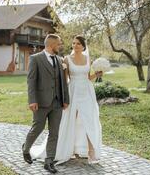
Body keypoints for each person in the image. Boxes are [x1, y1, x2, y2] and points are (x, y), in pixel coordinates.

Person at [30, 35, 102, 165]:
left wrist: (96, 75)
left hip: (86, 91)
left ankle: (91, 152)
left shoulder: (87, 59)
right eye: (73, 43)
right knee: (70, 120)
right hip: (73, 91)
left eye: (78, 44)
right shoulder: (67, 59)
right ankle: (68, 150)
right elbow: (65, 79)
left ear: (83, 46)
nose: (75, 46)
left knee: (88, 120)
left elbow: (87, 77)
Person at [22, 34, 69, 174]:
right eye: (59, 44)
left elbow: (63, 82)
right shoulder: (35, 59)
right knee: (38, 128)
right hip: (41, 101)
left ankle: (49, 162)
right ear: (51, 45)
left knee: (54, 133)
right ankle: (26, 148)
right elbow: (31, 81)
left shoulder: (60, 60)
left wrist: (66, 99)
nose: (60, 46)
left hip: (57, 102)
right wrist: (32, 100)